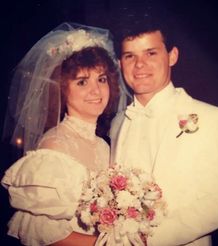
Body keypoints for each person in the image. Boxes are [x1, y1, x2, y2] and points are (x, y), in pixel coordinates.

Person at [110, 12, 218, 246]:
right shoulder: (118, 123)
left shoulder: (213, 118)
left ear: (172, 56)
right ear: (120, 63)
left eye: (151, 53)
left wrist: (148, 240)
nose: (139, 65)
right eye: (130, 56)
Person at [1, 22, 121, 246]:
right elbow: (43, 232)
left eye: (101, 79)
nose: (96, 91)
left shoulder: (104, 146)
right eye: (82, 82)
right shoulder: (55, 145)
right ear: (63, 90)